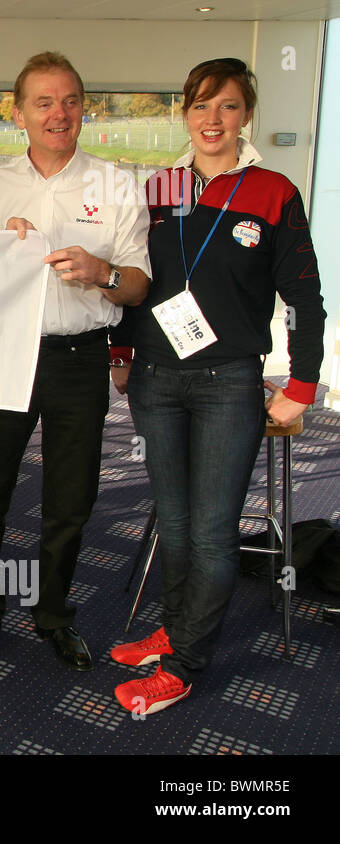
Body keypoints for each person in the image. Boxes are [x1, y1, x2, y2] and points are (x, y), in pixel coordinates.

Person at [109, 58, 325, 714]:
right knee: (174, 524)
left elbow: (305, 300)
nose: (212, 120)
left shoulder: (273, 191)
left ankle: (183, 662)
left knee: (209, 529)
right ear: (184, 113)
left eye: (227, 107)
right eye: (201, 106)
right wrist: (121, 352)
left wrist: (304, 384)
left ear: (246, 115)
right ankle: (177, 628)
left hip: (228, 380)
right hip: (154, 376)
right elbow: (133, 280)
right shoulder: (160, 188)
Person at [0, 51, 150, 670]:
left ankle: (53, 612)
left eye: (69, 100)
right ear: (18, 113)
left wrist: (102, 273)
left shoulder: (117, 185)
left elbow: (138, 286)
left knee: (71, 498)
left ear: (83, 108)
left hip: (79, 359)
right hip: (5, 353)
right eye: (43, 101)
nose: (58, 113)